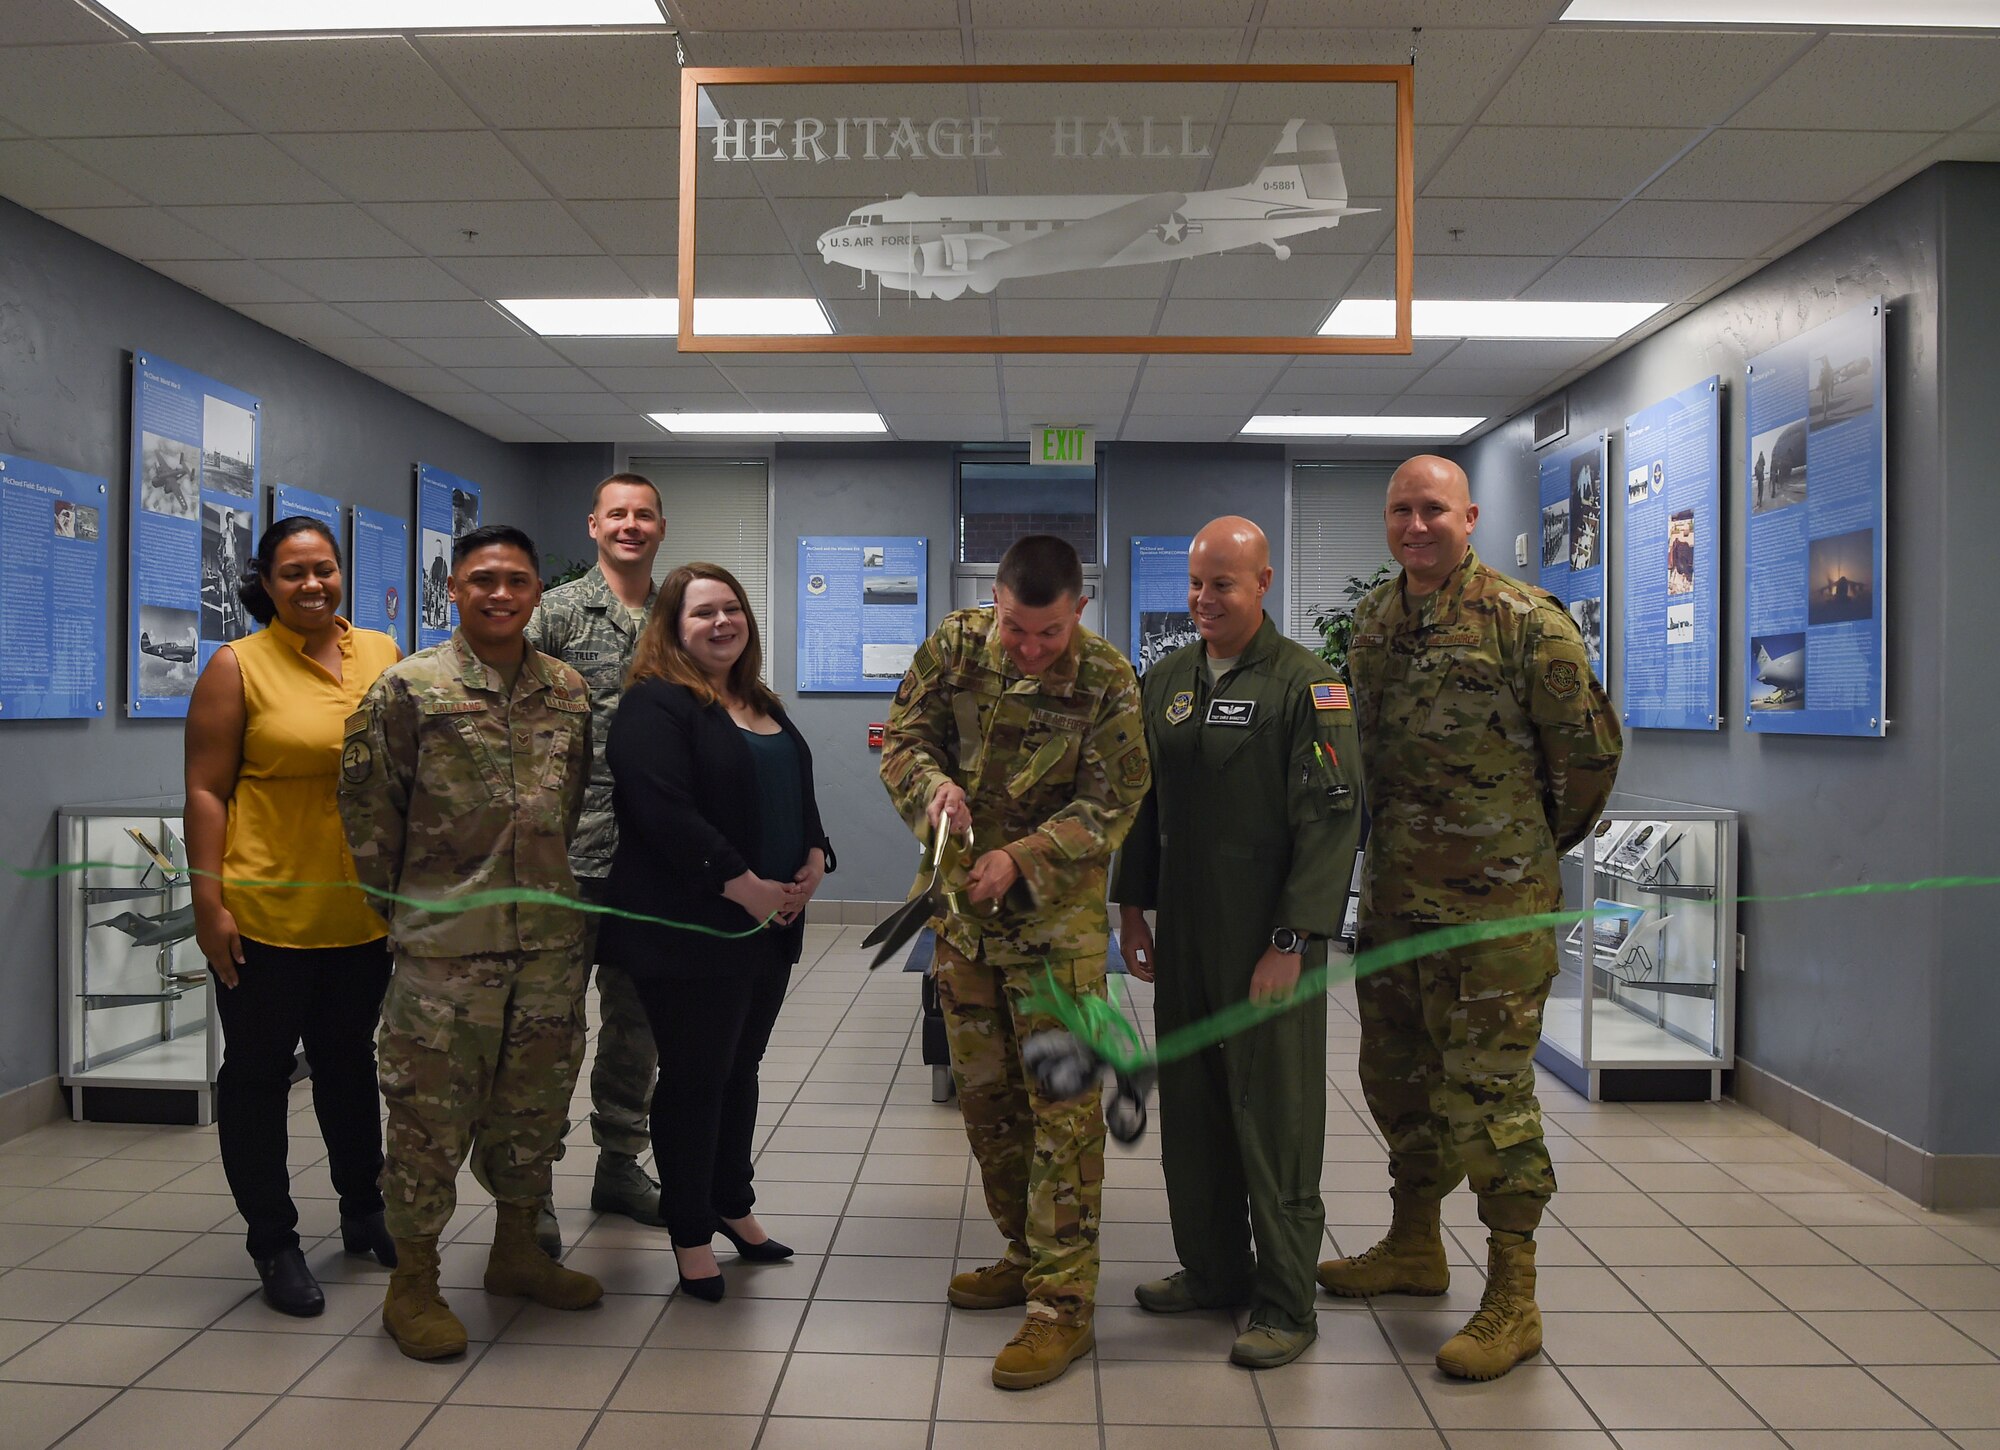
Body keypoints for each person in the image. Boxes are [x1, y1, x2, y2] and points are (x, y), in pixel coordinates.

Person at [1316, 456, 1622, 1382]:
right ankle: (1414, 1245)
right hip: (1398, 906)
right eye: (1401, 510)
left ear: (1471, 516)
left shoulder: (1524, 621)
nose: (1417, 526)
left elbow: (1590, 762)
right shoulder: (1374, 623)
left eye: (1434, 510)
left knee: (1491, 1101)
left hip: (1493, 921)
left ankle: (1513, 1299)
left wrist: (1521, 858)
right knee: (1398, 1081)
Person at [879, 534, 1150, 1391]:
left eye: (1049, 633)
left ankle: (1062, 1308)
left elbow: (1115, 800)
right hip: (963, 927)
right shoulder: (954, 646)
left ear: (1078, 609)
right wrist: (934, 791)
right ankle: (1024, 1253)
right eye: (1016, 629)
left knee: (1064, 1120)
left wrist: (1026, 855)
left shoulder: (1107, 677)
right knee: (990, 1105)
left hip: (1057, 940)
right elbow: (903, 742)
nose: (1031, 649)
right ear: (995, 601)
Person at [339, 524, 603, 1361]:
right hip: (445, 950)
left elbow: (568, 806)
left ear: (535, 593)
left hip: (550, 947)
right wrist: (418, 917)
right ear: (452, 589)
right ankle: (411, 1283)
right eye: (483, 580)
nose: (500, 594)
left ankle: (516, 1252)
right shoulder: (407, 690)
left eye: (517, 581)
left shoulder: (566, 690)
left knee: (535, 1109)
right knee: (427, 1122)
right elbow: (371, 822)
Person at [1112, 516, 1363, 1369]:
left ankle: (1288, 1303)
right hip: (1185, 927)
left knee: (1274, 1113)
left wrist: (1292, 939)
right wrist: (1131, 909)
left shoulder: (1309, 686)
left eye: (1222, 583)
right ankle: (1214, 1270)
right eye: (1195, 582)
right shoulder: (1170, 678)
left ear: (1262, 582)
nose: (1203, 598)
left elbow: (1331, 824)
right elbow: (1145, 803)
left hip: (1267, 933)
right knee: (1195, 1104)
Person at [184, 516, 402, 1317]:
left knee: (350, 1064)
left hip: (362, 915)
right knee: (258, 1075)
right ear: (265, 583)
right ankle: (273, 1241)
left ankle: (363, 1209)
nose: (312, 585)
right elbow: (205, 791)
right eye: (293, 573)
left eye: (325, 569)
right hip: (266, 912)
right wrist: (208, 903)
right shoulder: (236, 666)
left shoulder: (380, 653)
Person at [598, 563, 833, 1302]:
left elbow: (797, 786)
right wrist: (746, 885)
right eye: (703, 613)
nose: (722, 622)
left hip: (768, 928)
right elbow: (664, 812)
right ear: (672, 627)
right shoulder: (655, 707)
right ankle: (692, 1233)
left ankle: (734, 1203)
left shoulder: (756, 699)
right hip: (693, 929)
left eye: (732, 609)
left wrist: (818, 856)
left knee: (740, 1069)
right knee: (697, 1079)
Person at [524, 472, 669, 1250]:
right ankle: (534, 1190)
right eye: (618, 514)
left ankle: (619, 1162)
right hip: (565, 856)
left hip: (650, 860)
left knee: (635, 1027)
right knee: (549, 1025)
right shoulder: (552, 614)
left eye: (643, 515)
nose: (630, 526)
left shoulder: (677, 619)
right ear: (592, 524)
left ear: (661, 527)